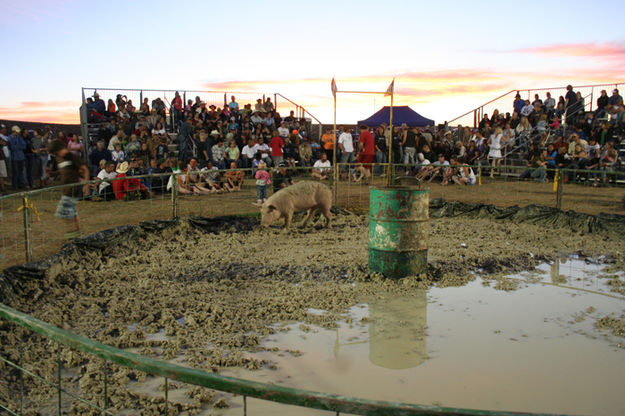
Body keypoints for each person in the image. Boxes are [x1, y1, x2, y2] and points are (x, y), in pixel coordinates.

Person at [48, 140, 89, 239]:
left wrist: (86, 184)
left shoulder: (72, 156)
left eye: (58, 152)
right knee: (72, 211)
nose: (58, 154)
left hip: (73, 188)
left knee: (64, 211)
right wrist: (53, 174)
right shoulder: (59, 158)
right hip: (66, 188)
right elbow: (66, 171)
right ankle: (78, 232)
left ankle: (72, 233)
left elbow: (84, 169)